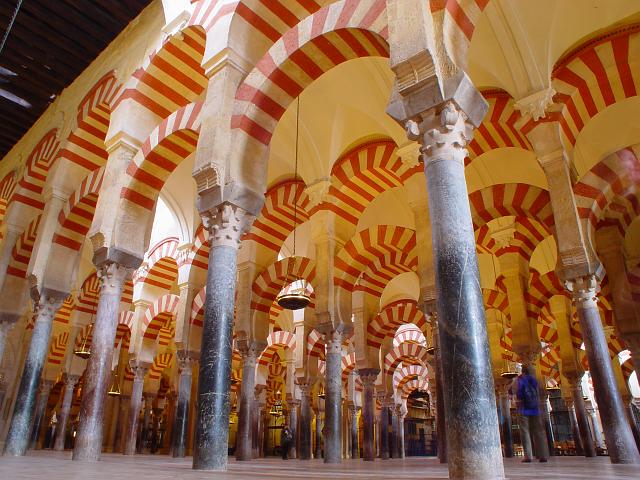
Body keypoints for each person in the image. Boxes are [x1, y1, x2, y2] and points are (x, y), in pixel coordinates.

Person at [516, 364, 549, 463]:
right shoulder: (535, 380)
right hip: (535, 408)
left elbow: (518, 393)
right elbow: (539, 393)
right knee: (539, 431)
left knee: (525, 431)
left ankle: (528, 456)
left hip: (524, 408)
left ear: (523, 370)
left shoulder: (520, 379)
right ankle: (542, 455)